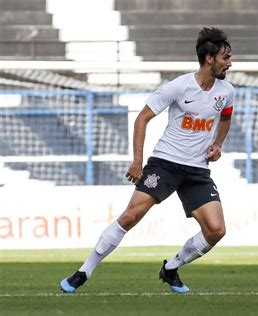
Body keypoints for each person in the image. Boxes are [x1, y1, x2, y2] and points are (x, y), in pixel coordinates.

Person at [60, 27, 234, 294]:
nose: (229, 63)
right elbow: (142, 118)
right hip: (165, 163)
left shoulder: (227, 91)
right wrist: (137, 162)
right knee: (130, 216)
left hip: (198, 169)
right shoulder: (178, 86)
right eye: (225, 57)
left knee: (216, 230)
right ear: (210, 58)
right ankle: (83, 272)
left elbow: (225, 117)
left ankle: (172, 268)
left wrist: (218, 144)